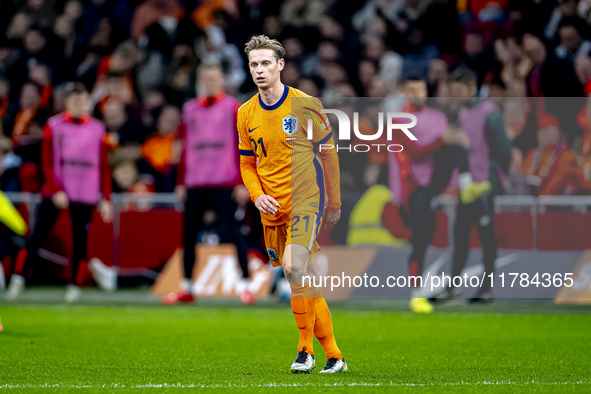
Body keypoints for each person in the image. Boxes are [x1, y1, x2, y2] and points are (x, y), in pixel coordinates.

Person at [238, 35, 346, 374]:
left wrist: (334, 201)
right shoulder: (245, 113)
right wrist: (257, 196)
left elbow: (328, 154)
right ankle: (335, 355)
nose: (259, 70)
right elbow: (246, 163)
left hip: (305, 201)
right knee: (306, 276)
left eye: (266, 63)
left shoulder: (305, 105)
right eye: (254, 64)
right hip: (272, 209)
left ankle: (304, 351)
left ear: (280, 65)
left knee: (294, 267)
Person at [389, 76, 493, 313]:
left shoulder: (438, 117)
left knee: (455, 144)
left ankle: (466, 186)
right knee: (421, 238)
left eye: (421, 88)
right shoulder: (397, 119)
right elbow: (414, 152)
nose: (418, 92)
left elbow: (447, 144)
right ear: (405, 91)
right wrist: (443, 139)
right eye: (413, 88)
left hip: (433, 180)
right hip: (412, 186)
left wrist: (451, 139)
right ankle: (416, 294)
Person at [6, 82, 114, 303]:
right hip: (57, 191)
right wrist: (56, 189)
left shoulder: (97, 129)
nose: (80, 105)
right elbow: (48, 161)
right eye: (75, 101)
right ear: (67, 102)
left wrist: (106, 197)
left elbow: (103, 165)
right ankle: (17, 280)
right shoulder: (54, 126)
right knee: (36, 236)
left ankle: (75, 286)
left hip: (86, 192)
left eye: (83, 101)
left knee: (80, 239)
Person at [163, 63, 253, 305]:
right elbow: (185, 147)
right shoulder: (189, 109)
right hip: (195, 182)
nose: (210, 82)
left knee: (233, 232)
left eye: (214, 78)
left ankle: (246, 286)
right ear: (201, 80)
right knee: (188, 235)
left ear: (221, 80)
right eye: (206, 78)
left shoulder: (233, 108)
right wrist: (181, 181)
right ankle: (187, 288)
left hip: (225, 182)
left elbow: (243, 146)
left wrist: (242, 182)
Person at [430, 67, 512, 304]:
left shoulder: (490, 114)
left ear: (471, 88)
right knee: (461, 235)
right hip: (467, 187)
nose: (454, 96)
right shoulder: (463, 113)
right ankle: (453, 287)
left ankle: (486, 289)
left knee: (486, 236)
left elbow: (504, 150)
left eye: (457, 91)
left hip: (486, 185)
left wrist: (496, 179)